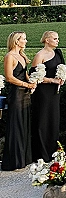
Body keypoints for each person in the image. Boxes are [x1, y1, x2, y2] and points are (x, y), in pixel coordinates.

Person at [1, 31, 35, 170]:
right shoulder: (10, 56)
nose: (26, 41)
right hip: (16, 95)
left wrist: (32, 81)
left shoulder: (21, 56)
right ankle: (14, 161)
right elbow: (9, 77)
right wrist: (26, 85)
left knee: (24, 125)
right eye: (24, 39)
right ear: (16, 41)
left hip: (25, 94)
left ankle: (24, 159)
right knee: (16, 126)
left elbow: (24, 74)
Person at [31, 30, 65, 161]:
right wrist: (52, 80)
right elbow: (35, 76)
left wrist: (61, 78)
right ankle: (42, 153)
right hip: (43, 93)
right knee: (43, 121)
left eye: (58, 38)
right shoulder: (40, 55)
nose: (57, 40)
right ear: (47, 40)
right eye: (55, 38)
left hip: (54, 92)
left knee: (53, 120)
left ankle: (53, 150)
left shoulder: (58, 53)